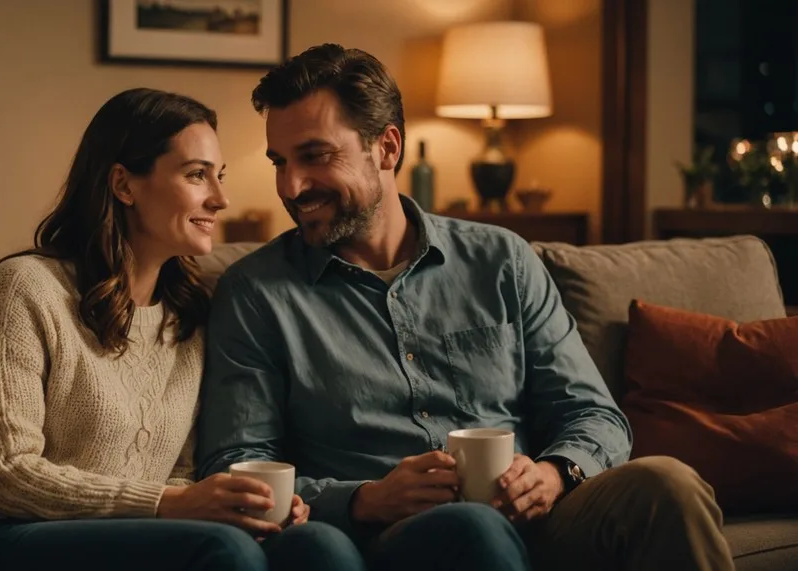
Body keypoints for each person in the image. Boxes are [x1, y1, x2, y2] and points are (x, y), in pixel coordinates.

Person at [195, 44, 736, 571]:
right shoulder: (256, 291)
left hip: (540, 520)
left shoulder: (501, 260)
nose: (290, 186)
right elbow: (234, 465)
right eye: (279, 162)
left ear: (387, 148)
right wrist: (366, 498)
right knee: (470, 529)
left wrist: (552, 474)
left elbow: (593, 414)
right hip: (382, 538)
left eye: (315, 156)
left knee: (667, 482)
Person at [0, 87, 364, 571]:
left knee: (318, 547)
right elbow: (5, 474)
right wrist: (172, 505)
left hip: (136, 530)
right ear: (123, 184)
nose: (220, 199)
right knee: (224, 550)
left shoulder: (188, 316)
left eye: (218, 177)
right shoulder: (25, 291)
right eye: (196, 175)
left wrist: (236, 506)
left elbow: (179, 472)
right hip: (3, 529)